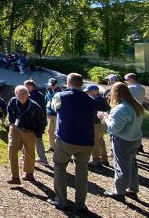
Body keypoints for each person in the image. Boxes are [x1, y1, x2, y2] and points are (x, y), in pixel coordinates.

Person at [47, 73, 96, 212]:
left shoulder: (61, 96)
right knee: (82, 171)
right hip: (87, 141)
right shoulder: (92, 100)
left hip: (66, 139)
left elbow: (54, 108)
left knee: (60, 167)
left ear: (68, 82)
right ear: (81, 84)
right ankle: (80, 204)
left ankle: (61, 200)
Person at [99, 83, 145, 201]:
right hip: (135, 139)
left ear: (116, 93)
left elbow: (114, 128)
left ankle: (119, 192)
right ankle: (133, 189)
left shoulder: (121, 108)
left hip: (123, 141)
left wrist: (105, 118)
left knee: (122, 166)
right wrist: (110, 117)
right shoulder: (136, 105)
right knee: (132, 164)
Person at [6, 85, 47, 184]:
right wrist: (11, 122)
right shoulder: (13, 101)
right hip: (15, 129)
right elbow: (9, 111)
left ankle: (29, 174)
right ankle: (15, 177)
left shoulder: (34, 106)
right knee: (12, 150)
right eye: (18, 94)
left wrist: (36, 134)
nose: (21, 96)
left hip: (30, 131)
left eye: (23, 93)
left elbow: (43, 122)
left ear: (28, 94)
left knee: (29, 153)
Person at [85, 84, 111, 167]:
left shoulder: (97, 100)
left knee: (95, 141)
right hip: (102, 122)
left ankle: (96, 160)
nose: (87, 93)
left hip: (97, 123)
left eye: (88, 91)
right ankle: (104, 160)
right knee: (100, 141)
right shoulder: (100, 99)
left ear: (94, 91)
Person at [25, 80, 49, 165]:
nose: (25, 88)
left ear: (30, 86)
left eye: (26, 86)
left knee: (29, 139)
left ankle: (28, 157)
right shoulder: (40, 95)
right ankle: (42, 158)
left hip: (33, 121)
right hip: (40, 121)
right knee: (38, 140)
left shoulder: (31, 96)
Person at [45, 78, 62, 152]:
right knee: (50, 131)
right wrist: (46, 112)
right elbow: (46, 101)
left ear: (57, 84)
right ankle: (51, 146)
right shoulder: (48, 90)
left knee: (57, 131)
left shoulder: (61, 92)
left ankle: (58, 147)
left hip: (57, 114)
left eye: (53, 85)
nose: (51, 86)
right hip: (49, 114)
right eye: (50, 85)